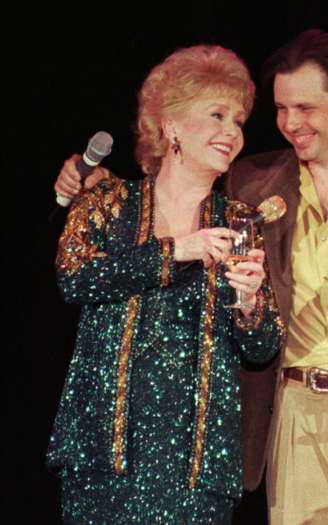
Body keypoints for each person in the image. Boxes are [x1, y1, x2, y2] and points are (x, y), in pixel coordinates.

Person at [56, 30, 328, 525]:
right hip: (293, 421)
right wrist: (88, 183)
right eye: (281, 109)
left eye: (305, 108)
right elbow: (166, 187)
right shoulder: (251, 183)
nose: (289, 124)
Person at [48, 45, 284, 524]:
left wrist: (249, 300)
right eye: (216, 115)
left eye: (238, 121)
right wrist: (178, 249)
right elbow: (74, 277)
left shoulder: (238, 221)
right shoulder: (109, 201)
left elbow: (262, 348)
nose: (231, 132)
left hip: (197, 467)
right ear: (170, 123)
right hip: (104, 458)